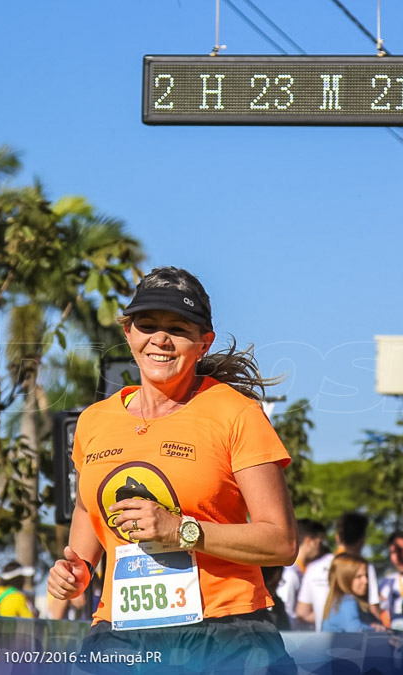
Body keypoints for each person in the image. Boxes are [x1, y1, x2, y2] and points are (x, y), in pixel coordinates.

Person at [46, 266, 298, 672]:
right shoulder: (94, 421)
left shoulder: (238, 414)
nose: (160, 339)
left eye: (178, 329)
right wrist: (80, 567)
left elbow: (282, 542)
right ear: (128, 333)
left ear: (203, 342)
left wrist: (179, 529)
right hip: (123, 634)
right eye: (147, 325)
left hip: (224, 631)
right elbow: (85, 508)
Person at [296, 511, 379, 631]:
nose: (364, 580)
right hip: (353, 644)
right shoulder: (366, 567)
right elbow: (372, 609)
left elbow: (302, 613)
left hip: (322, 643)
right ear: (362, 540)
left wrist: (329, 618)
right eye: (359, 576)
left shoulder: (314, 567)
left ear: (337, 537)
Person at [276, 518, 326, 629]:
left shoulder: (304, 571)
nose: (320, 547)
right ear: (309, 541)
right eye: (319, 542)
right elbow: (286, 612)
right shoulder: (290, 574)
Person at [321, 553, 385, 633]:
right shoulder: (347, 601)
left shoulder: (338, 600)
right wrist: (378, 630)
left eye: (366, 575)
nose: (365, 581)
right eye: (359, 576)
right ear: (344, 579)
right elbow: (355, 630)